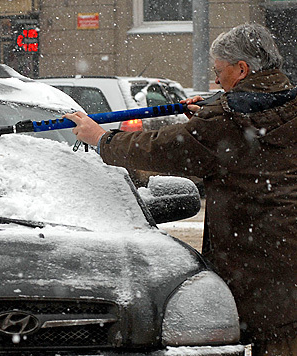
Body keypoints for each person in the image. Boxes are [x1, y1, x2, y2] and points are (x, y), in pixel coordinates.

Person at [64, 23, 296, 356]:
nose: (215, 81)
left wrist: (102, 139)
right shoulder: (283, 105)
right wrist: (212, 113)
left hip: (263, 274)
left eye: (219, 72)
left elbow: (161, 149)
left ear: (242, 69)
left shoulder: (227, 121)